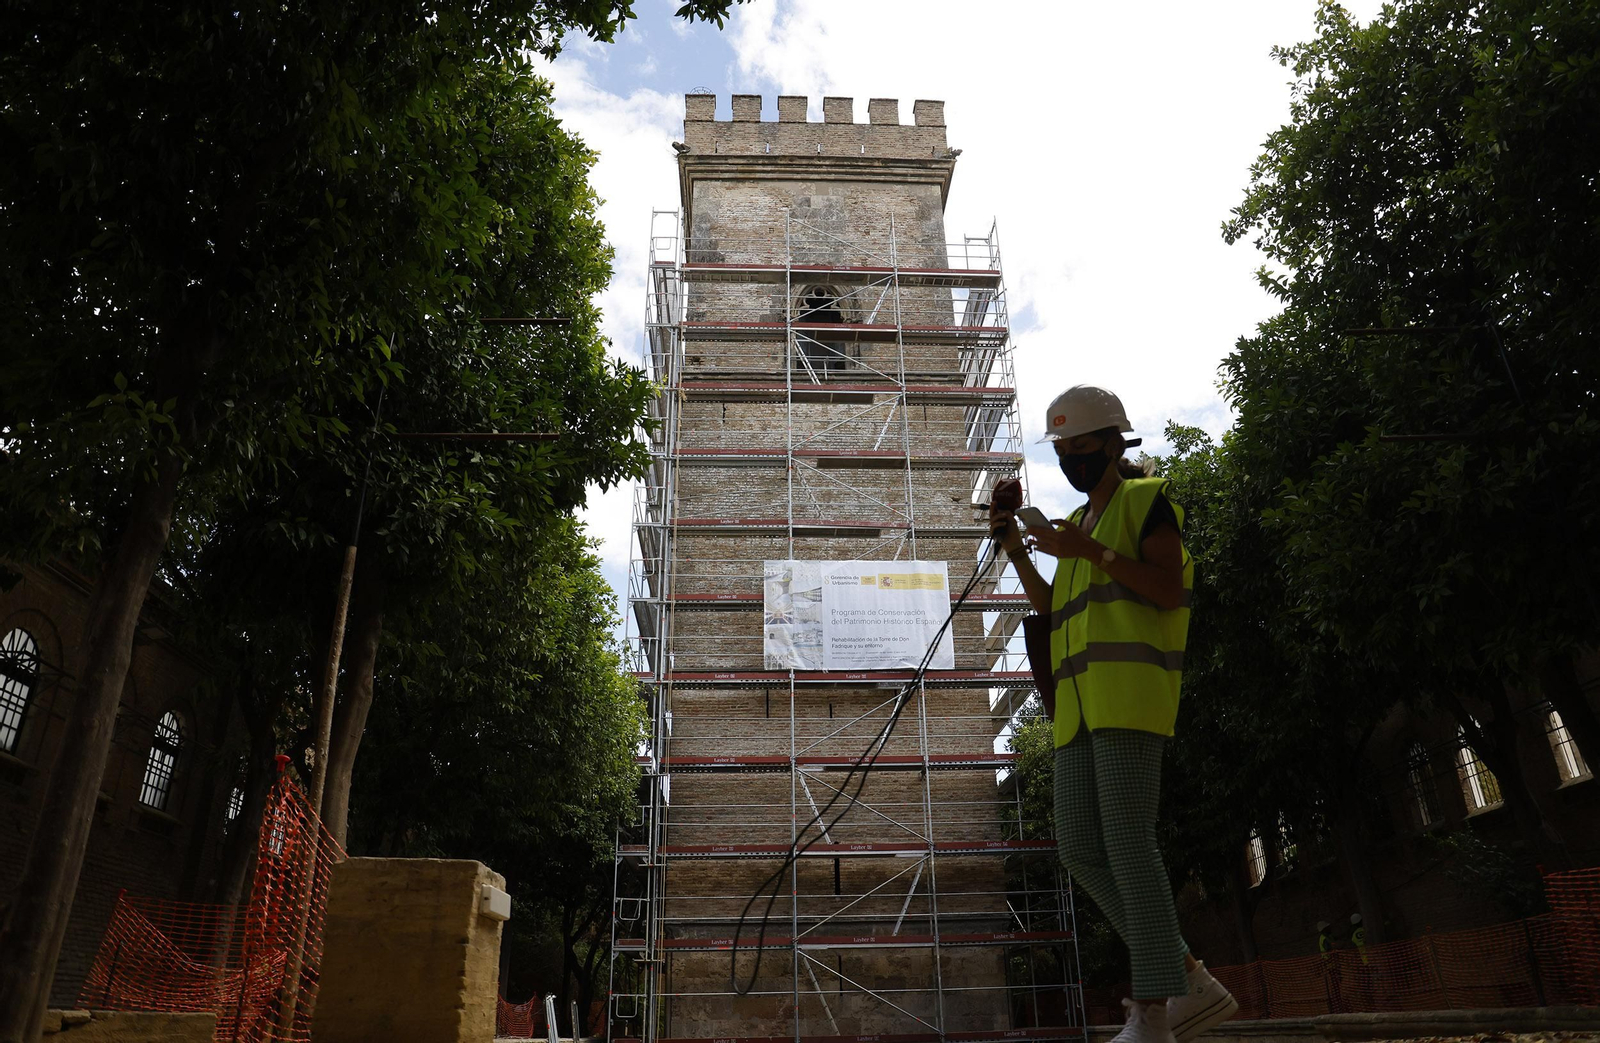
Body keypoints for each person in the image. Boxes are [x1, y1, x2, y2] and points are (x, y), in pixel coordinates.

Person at [991, 386, 1238, 1043]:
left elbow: (1166, 587)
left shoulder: (1142, 503)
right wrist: (1015, 545)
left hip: (1128, 698)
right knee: (1080, 847)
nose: (1070, 457)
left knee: (1129, 844)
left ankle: (1154, 1010)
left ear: (1110, 443)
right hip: (1076, 711)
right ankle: (1191, 978)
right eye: (1061, 448)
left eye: (1079, 446)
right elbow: (1054, 610)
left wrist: (1089, 553)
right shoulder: (1078, 527)